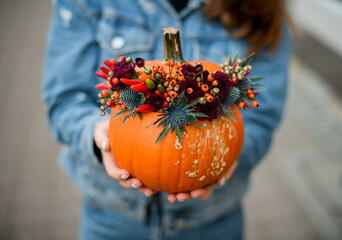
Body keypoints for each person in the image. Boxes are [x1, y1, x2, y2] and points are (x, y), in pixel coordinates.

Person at [43, 0, 292, 239]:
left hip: (213, 221)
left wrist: (228, 160)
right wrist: (98, 137)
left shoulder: (259, 6)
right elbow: (65, 98)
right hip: (112, 217)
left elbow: (261, 116)